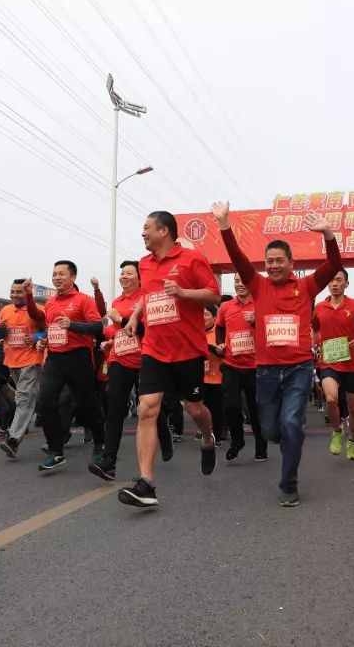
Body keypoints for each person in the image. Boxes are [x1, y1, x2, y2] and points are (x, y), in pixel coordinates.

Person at [212, 200, 341, 507]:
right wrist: (224, 225)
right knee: (271, 430)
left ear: (291, 263)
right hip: (266, 372)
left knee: (291, 423)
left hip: (298, 368)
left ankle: (289, 485)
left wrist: (328, 234)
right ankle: (291, 437)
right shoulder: (258, 285)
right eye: (269, 261)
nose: (273, 265)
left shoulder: (307, 286)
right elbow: (237, 258)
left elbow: (333, 265)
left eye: (279, 260)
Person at [117, 211, 220, 509]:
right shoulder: (145, 263)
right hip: (154, 348)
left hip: (187, 349)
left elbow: (213, 295)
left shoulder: (191, 259)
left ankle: (207, 438)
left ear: (164, 230)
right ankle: (146, 483)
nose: (143, 233)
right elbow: (147, 296)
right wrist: (134, 317)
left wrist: (183, 292)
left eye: (147, 228)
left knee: (195, 408)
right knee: (147, 409)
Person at [24, 261, 103, 472]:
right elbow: (41, 320)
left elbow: (97, 326)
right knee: (44, 402)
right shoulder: (50, 303)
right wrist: (29, 296)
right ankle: (56, 451)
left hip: (78, 358)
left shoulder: (83, 300)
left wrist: (72, 325)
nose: (56, 278)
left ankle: (100, 444)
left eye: (61, 274)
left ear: (73, 277)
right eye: (54, 274)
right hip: (54, 359)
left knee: (88, 404)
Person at [88, 261, 144, 481]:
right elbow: (115, 329)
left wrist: (120, 320)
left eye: (129, 273)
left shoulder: (146, 298)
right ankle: (108, 461)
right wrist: (110, 341)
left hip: (146, 359)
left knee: (149, 408)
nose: (123, 276)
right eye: (122, 273)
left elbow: (147, 329)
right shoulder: (117, 302)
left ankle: (165, 434)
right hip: (120, 360)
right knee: (114, 408)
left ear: (140, 277)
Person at [312, 269, 354, 461]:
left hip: (352, 365)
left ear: (346, 284)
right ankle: (337, 431)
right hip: (328, 362)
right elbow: (314, 329)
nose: (334, 284)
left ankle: (352, 440)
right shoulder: (320, 307)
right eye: (331, 280)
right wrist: (315, 345)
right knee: (331, 399)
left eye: (338, 280)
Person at [216, 274, 267, 462]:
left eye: (244, 281)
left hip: (256, 366)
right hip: (231, 365)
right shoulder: (226, 307)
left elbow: (270, 331)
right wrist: (221, 343)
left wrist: (255, 321)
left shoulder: (261, 304)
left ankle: (261, 447)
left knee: (256, 410)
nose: (240, 284)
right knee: (230, 405)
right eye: (237, 281)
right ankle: (237, 441)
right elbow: (219, 327)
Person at [0, 279, 45, 458]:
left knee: (23, 398)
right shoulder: (5, 310)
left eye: (19, 292)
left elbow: (48, 329)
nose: (14, 295)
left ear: (27, 292)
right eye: (12, 291)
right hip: (12, 361)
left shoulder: (37, 309)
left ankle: (13, 439)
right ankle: (54, 424)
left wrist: (36, 337)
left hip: (31, 360)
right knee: (29, 398)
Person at [203, 305, 225, 445]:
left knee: (217, 409)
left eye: (206, 314)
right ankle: (207, 434)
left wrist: (207, 347)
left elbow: (222, 352)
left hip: (218, 377)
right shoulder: (196, 332)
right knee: (204, 408)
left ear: (215, 317)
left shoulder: (219, 332)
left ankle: (218, 435)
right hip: (202, 377)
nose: (203, 318)